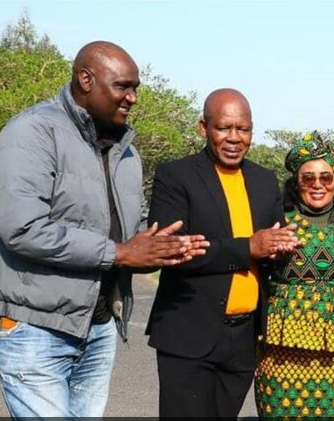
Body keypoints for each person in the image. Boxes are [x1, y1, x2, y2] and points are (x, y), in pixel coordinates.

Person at [0, 41, 207, 418]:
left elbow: (130, 225)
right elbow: (21, 228)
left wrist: (164, 246)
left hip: (98, 328)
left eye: (135, 88)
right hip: (36, 328)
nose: (132, 98)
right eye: (123, 87)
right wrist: (120, 253)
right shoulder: (32, 133)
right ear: (85, 79)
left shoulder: (125, 149)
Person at [145, 88, 300, 418]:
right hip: (189, 335)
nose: (234, 138)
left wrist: (280, 250)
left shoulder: (263, 180)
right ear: (204, 128)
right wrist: (250, 247)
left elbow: (272, 243)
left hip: (243, 339)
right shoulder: (176, 176)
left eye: (243, 129)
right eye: (224, 128)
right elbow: (172, 250)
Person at [255, 132, 334, 419]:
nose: (318, 185)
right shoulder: (277, 221)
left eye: (326, 178)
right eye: (308, 178)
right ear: (296, 182)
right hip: (279, 353)